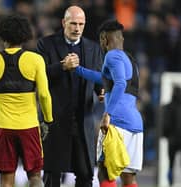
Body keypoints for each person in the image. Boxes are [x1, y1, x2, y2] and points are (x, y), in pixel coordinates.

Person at [0, 14, 53, 187]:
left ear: (2, 36)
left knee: (6, 180)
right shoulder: (35, 60)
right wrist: (47, 120)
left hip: (3, 128)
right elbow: (44, 95)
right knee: (35, 176)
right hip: (29, 127)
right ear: (25, 35)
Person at [36, 5, 103, 187]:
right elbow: (37, 76)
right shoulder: (46, 44)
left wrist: (101, 92)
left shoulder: (94, 48)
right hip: (54, 120)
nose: (77, 28)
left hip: (82, 121)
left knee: (85, 174)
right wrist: (61, 67)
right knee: (52, 175)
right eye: (73, 23)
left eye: (81, 24)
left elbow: (98, 79)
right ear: (63, 22)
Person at [74, 20, 143, 187]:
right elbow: (105, 80)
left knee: (105, 173)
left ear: (104, 39)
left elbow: (120, 83)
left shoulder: (112, 56)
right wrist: (78, 70)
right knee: (129, 177)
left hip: (117, 123)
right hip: (135, 124)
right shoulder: (130, 60)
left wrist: (107, 114)